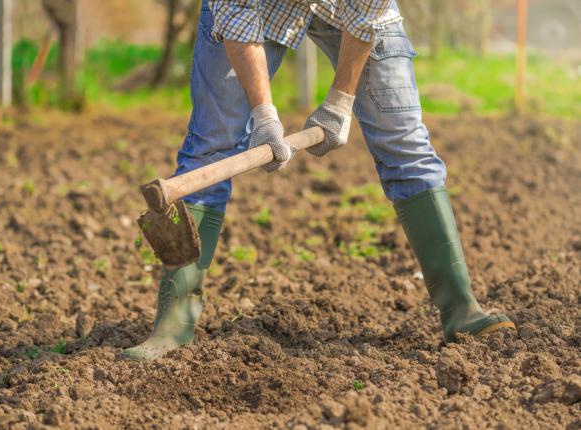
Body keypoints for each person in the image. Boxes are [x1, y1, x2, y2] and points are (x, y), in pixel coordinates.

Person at [120, 0, 516, 361]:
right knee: (212, 141)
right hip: (256, 9)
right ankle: (173, 326)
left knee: (404, 140)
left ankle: (461, 309)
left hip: (350, 8)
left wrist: (340, 103)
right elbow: (236, 14)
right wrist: (264, 115)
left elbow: (368, 13)